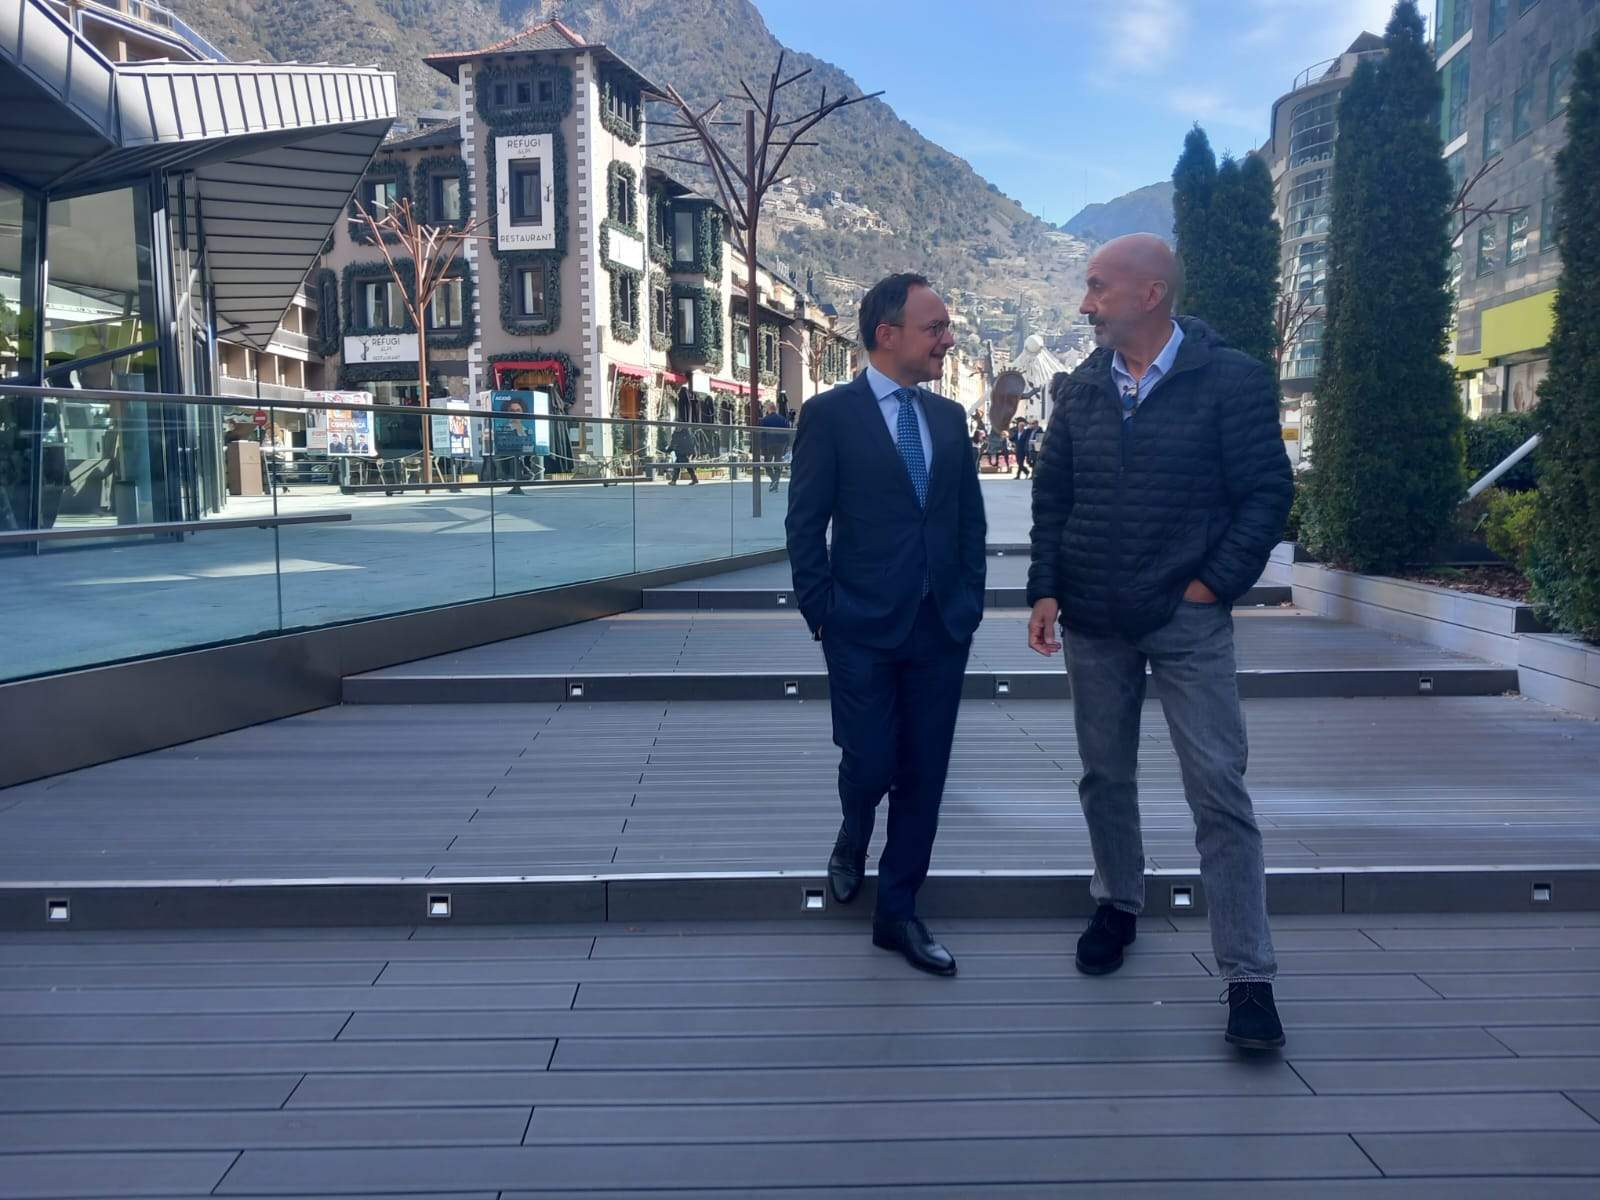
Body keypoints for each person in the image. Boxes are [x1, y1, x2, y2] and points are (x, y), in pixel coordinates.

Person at [1025, 233, 1293, 1050]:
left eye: (1097, 286)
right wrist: (1044, 587)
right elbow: (1053, 498)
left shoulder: (1233, 380)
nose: (1084, 302)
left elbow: (1266, 492)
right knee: (1105, 776)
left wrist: (1212, 585)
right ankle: (1118, 902)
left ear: (1150, 294)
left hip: (1188, 619)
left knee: (1218, 788)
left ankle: (1248, 976)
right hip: (1094, 619)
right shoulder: (1078, 391)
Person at [786, 272, 986, 976]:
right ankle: (853, 827)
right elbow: (805, 524)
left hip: (940, 629)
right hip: (859, 627)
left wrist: (968, 606)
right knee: (871, 760)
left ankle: (897, 912)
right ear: (887, 334)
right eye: (935, 328)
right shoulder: (830, 416)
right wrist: (822, 617)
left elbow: (967, 521)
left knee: (924, 775)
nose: (947, 339)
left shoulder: (949, 419)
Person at [757, 400, 791, 492]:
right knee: (777, 463)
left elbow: (762, 434)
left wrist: (761, 447)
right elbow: (788, 432)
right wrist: (788, 445)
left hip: (769, 444)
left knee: (767, 464)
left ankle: (774, 480)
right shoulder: (783, 419)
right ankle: (775, 482)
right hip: (781, 444)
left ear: (768, 409)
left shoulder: (765, 420)